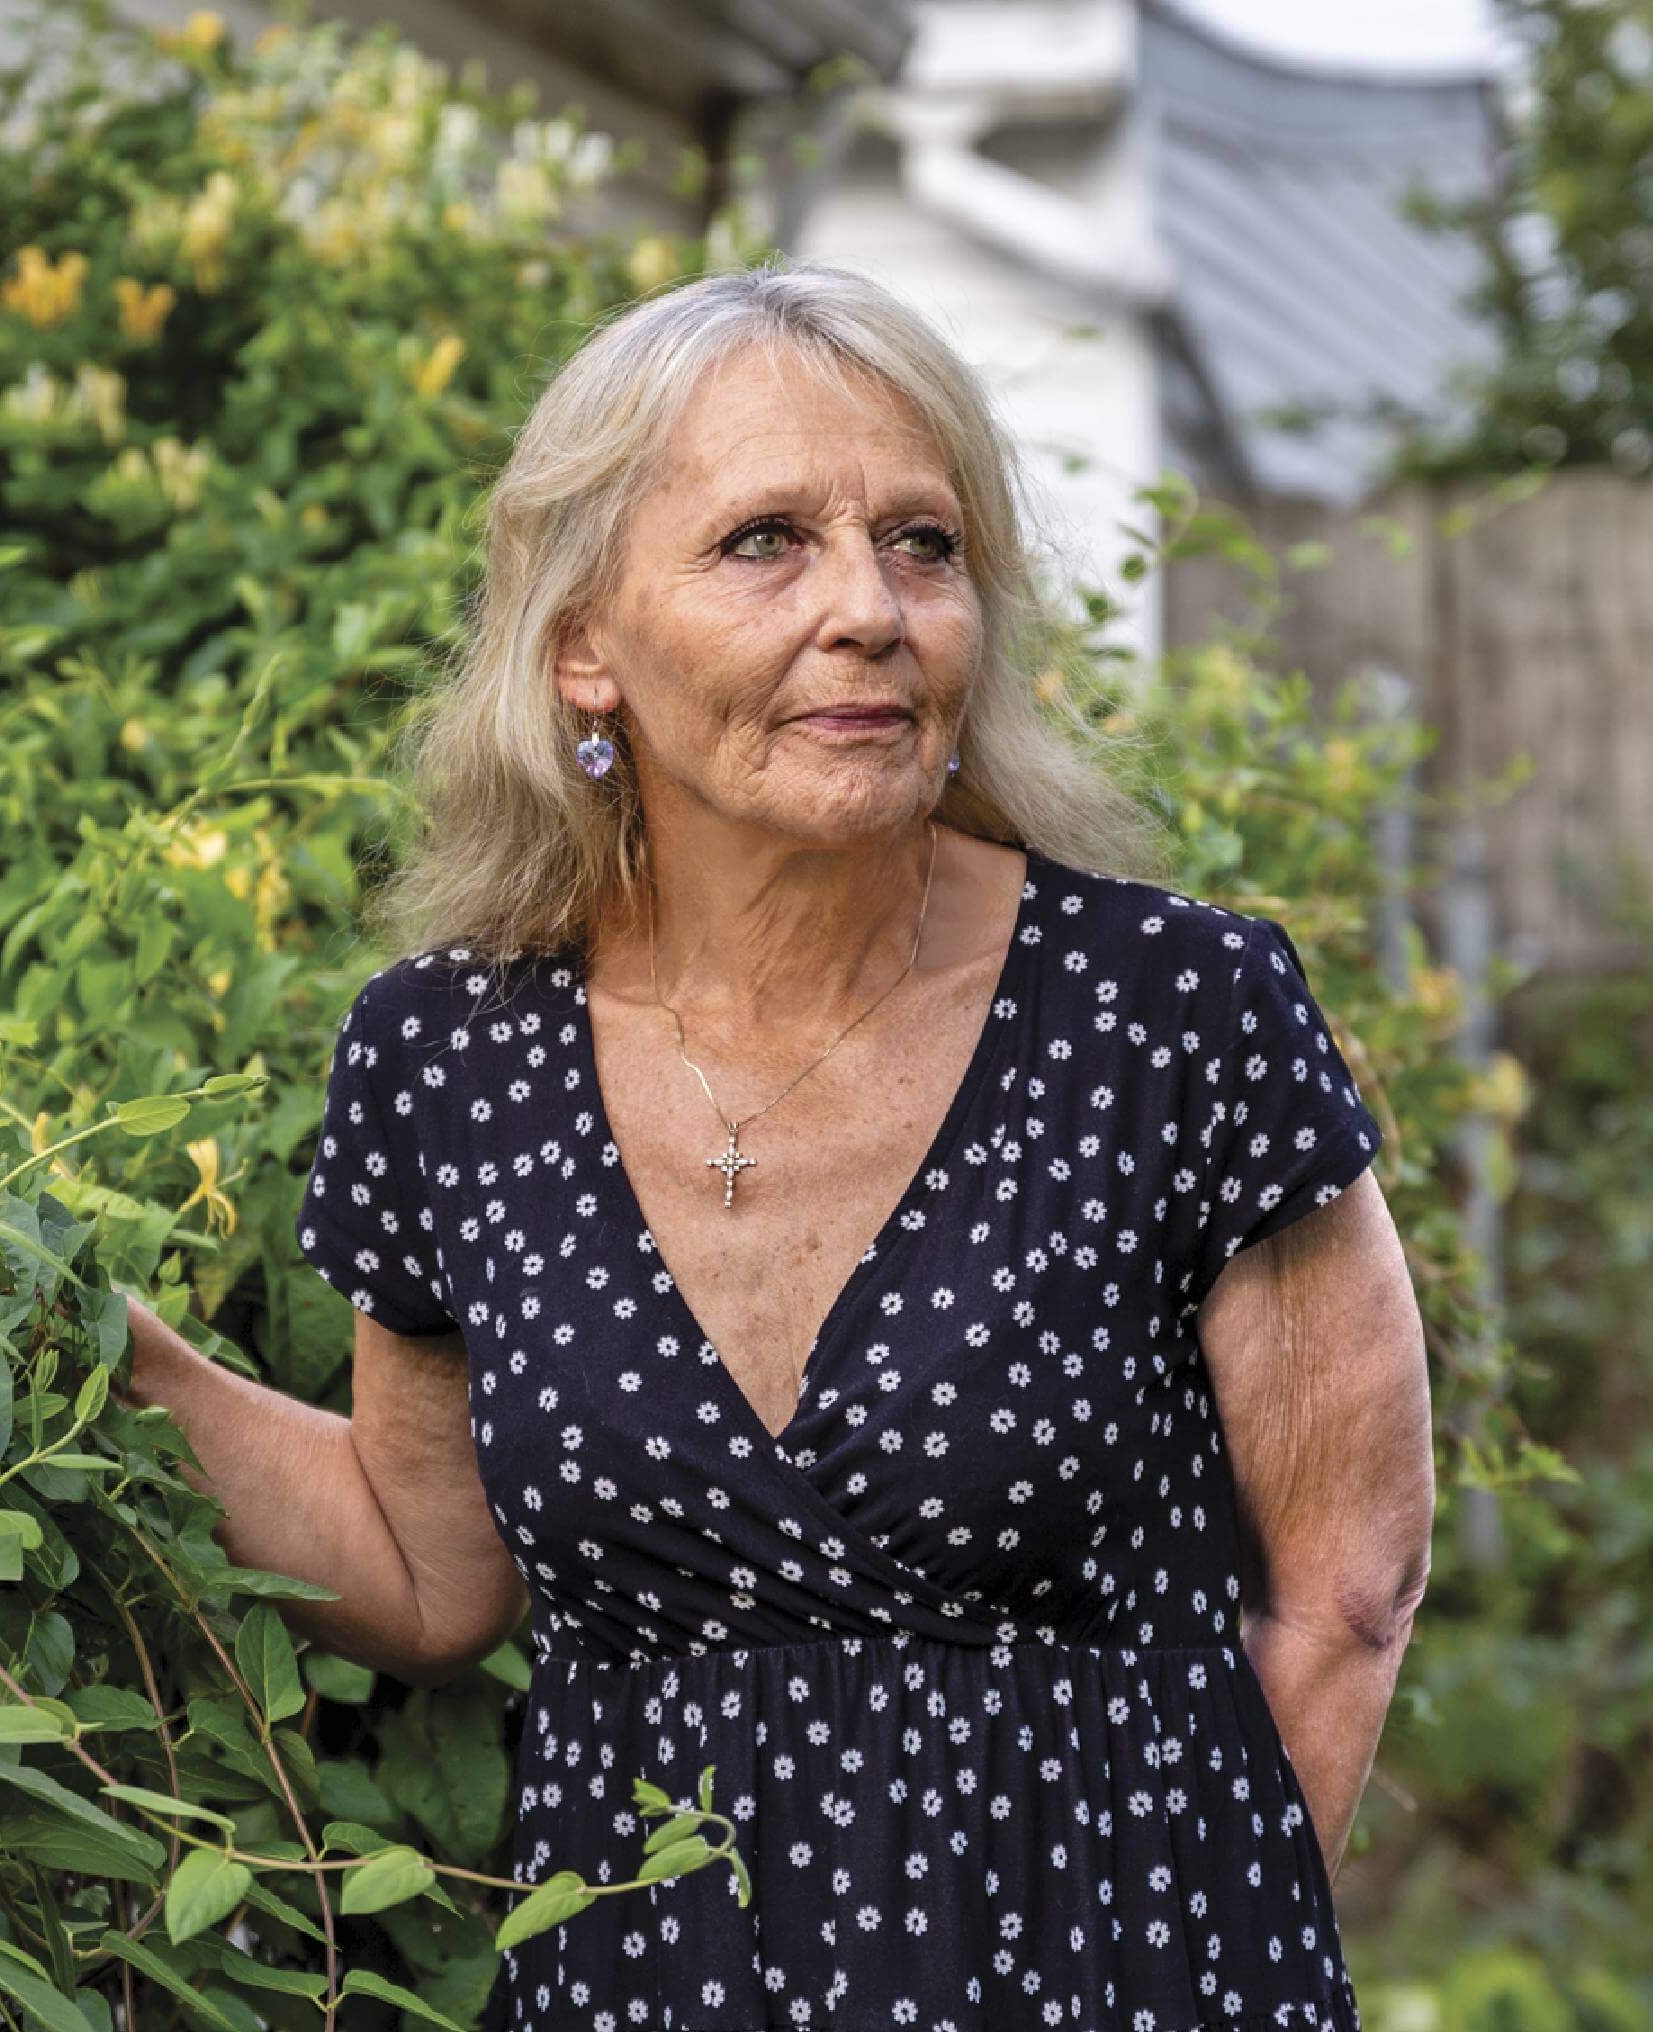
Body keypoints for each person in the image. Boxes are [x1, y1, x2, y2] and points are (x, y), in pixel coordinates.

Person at [123, 258, 1432, 2031]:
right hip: (639, 1986)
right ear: (583, 643)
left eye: (921, 544)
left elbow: (1343, 1592)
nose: (871, 611)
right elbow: (428, 1572)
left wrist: (1193, 1956)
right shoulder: (448, 1056)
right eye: (764, 542)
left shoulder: (1169, 1009)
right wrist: (80, 1343)